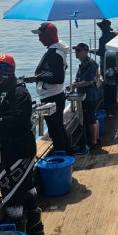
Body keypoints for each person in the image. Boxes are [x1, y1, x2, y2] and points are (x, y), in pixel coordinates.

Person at [0, 54, 43, 235]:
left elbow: (17, 119)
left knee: (12, 191)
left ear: (11, 69)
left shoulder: (20, 92)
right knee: (25, 185)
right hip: (8, 147)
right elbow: (0, 113)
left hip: (20, 148)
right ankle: (34, 226)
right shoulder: (0, 90)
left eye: (1, 67)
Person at [25, 22, 71, 153]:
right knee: (57, 126)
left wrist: (38, 78)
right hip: (54, 94)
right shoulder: (56, 49)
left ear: (48, 36)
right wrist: (43, 75)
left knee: (54, 129)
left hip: (52, 96)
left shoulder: (55, 53)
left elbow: (59, 78)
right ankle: (66, 151)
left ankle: (61, 154)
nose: (39, 39)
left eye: (41, 35)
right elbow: (62, 68)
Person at [71, 42, 101, 153]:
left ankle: (93, 144)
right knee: (93, 118)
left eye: (79, 50)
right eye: (76, 50)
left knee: (91, 120)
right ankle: (96, 140)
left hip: (89, 96)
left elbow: (89, 81)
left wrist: (74, 85)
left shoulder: (89, 63)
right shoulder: (85, 63)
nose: (76, 52)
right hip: (90, 95)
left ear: (86, 51)